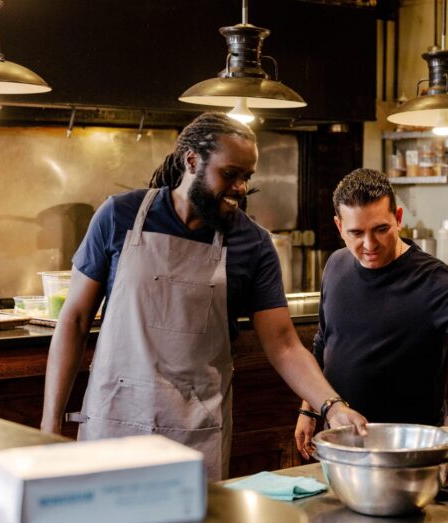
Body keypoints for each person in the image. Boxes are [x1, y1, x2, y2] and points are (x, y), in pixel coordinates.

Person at [41, 112, 367, 480]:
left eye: (247, 177)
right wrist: (50, 425)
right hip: (115, 424)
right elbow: (75, 320)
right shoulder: (120, 216)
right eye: (230, 174)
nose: (241, 187)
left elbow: (284, 345)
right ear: (192, 161)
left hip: (193, 433)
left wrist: (332, 407)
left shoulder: (253, 243)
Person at [295, 168, 448, 459]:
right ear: (339, 226)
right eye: (356, 233)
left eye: (381, 229)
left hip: (409, 447)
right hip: (339, 437)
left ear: (399, 218)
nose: (369, 245)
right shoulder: (335, 265)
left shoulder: (434, 279)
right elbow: (324, 342)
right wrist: (309, 406)